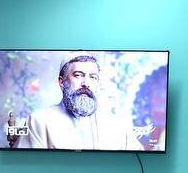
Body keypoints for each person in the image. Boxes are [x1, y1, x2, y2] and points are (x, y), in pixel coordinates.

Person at [16, 55, 144, 151]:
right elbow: (28, 168)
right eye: (78, 75)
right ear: (62, 82)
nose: (86, 83)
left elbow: (136, 163)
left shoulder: (117, 125)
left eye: (93, 77)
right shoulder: (39, 121)